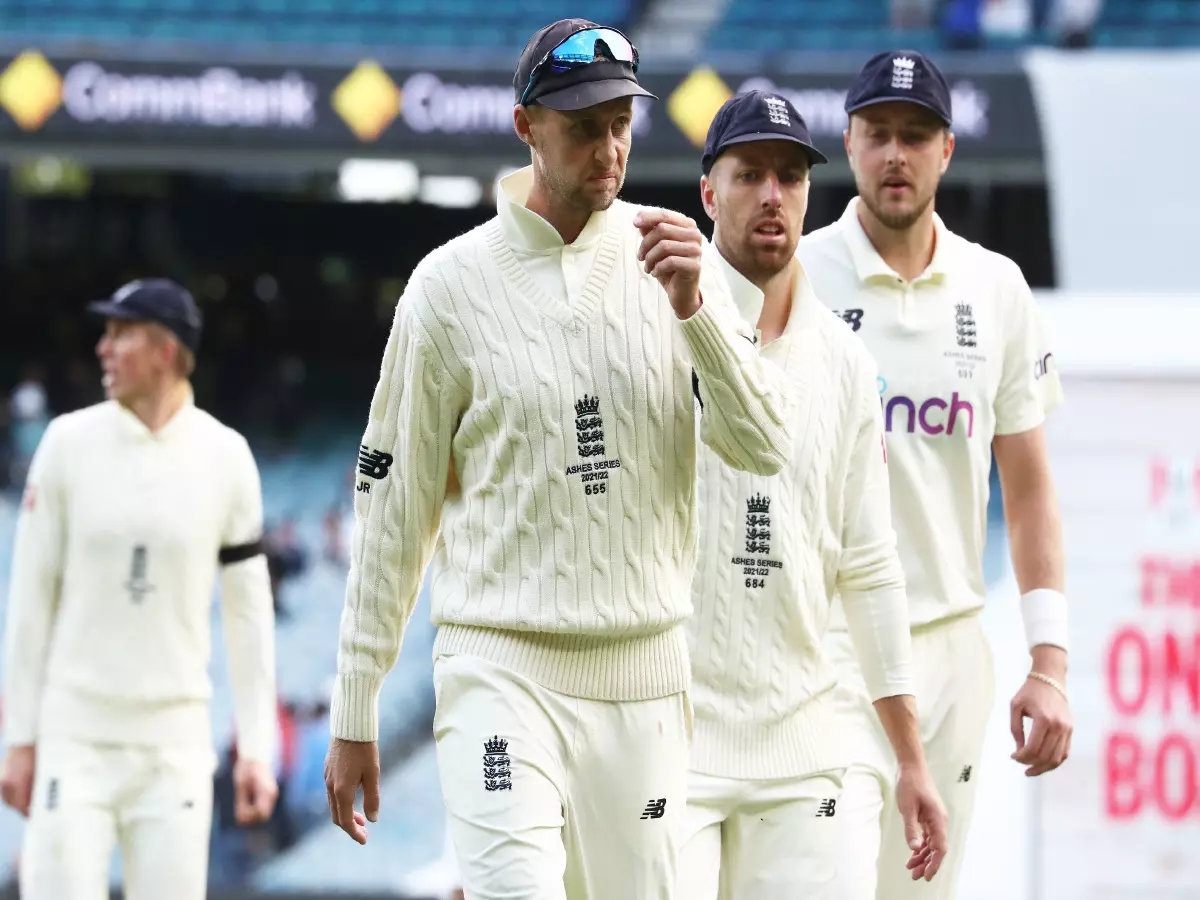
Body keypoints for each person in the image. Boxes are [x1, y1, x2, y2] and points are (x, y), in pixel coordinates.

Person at [323, 18, 796, 900]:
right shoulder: (446, 288)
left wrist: (696, 311)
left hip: (647, 682)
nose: (608, 146)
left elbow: (764, 447)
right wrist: (356, 705)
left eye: (620, 122)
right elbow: (394, 508)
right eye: (583, 125)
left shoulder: (679, 265)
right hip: (499, 668)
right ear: (526, 127)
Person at [795, 51, 1072, 900]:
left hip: (952, 651)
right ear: (848, 141)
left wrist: (1049, 662)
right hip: (824, 649)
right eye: (877, 133)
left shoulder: (996, 289)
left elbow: (1026, 492)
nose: (894, 155)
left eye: (915, 136)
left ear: (947, 149)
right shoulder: (794, 274)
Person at [679, 90, 949, 900]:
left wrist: (908, 758)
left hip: (805, 747)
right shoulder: (650, 328)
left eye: (791, 177)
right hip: (668, 742)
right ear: (708, 192)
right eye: (750, 174)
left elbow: (869, 566)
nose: (772, 196)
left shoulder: (845, 364)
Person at [0, 278, 280, 900]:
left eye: (120, 334)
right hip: (75, 739)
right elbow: (29, 600)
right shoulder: (66, 444)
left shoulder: (226, 457)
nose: (103, 348)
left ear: (165, 352)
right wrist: (20, 739)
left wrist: (255, 749)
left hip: (173, 749)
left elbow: (249, 616)